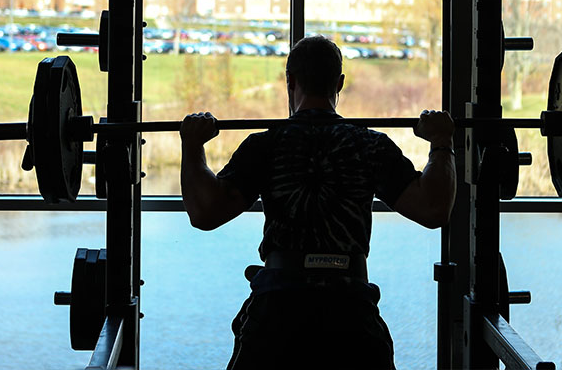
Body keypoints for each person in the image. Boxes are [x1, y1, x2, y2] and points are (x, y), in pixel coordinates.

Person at [180, 35, 456, 370]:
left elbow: (204, 212)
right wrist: (441, 140)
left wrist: (193, 145)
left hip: (276, 315)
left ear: (290, 82)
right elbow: (433, 209)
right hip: (351, 314)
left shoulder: (266, 145)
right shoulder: (369, 146)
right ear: (339, 83)